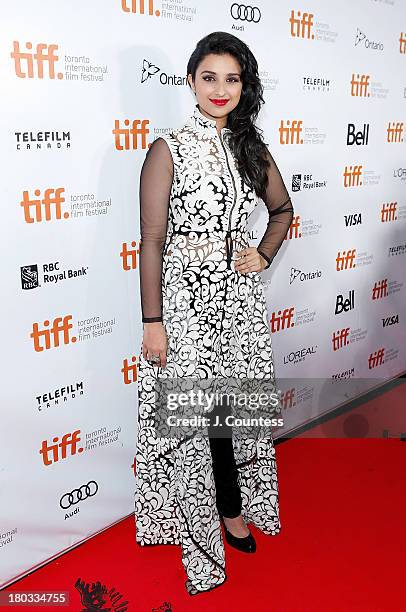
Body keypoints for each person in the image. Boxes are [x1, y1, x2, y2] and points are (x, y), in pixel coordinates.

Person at [135, 31, 294, 595]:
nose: (220, 89)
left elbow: (282, 210)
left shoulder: (250, 147)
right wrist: (153, 321)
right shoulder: (168, 147)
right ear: (191, 81)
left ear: (244, 85)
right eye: (210, 77)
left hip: (240, 305)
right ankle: (198, 531)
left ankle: (231, 508)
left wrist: (263, 253)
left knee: (232, 416)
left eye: (232, 78)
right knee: (191, 422)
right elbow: (152, 239)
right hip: (183, 304)